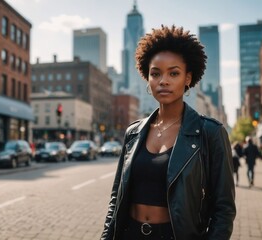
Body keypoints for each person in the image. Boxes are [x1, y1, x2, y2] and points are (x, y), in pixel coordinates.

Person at [101, 25, 236, 240]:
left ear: (188, 78)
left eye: (174, 73)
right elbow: (116, 198)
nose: (163, 80)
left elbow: (224, 209)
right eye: (156, 73)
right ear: (148, 79)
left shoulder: (210, 133)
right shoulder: (133, 132)